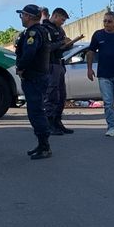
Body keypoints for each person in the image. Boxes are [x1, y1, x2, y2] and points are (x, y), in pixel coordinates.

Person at [13, 4, 53, 159]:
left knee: (36, 112)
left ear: (29, 16)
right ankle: (41, 144)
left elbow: (29, 53)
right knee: (34, 110)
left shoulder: (34, 33)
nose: (21, 18)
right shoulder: (39, 31)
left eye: (22, 15)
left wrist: (21, 67)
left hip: (34, 77)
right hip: (37, 76)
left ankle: (44, 146)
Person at [44, 8, 74, 136]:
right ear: (55, 16)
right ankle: (49, 124)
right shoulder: (45, 29)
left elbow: (61, 47)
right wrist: (62, 42)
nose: (62, 23)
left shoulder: (59, 30)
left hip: (59, 64)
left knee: (61, 96)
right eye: (62, 19)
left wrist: (69, 44)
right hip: (50, 65)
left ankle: (57, 122)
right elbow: (47, 47)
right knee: (51, 95)